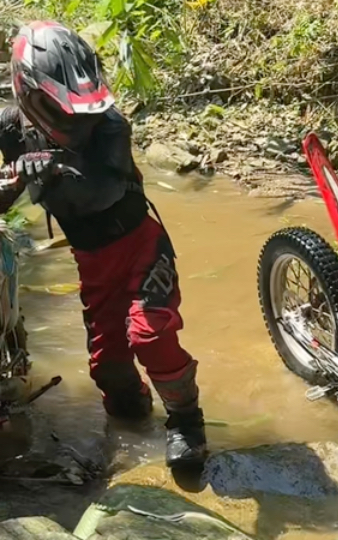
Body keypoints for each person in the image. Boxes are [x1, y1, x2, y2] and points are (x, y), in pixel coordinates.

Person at [0, 21, 206, 467]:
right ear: (27, 94)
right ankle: (136, 429)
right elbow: (9, 190)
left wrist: (48, 169)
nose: (75, 121)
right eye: (59, 110)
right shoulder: (11, 127)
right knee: (109, 372)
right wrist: (14, 180)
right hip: (91, 260)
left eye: (79, 111)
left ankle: (187, 421)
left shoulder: (111, 125)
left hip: (140, 246)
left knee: (150, 334)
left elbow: (101, 190)